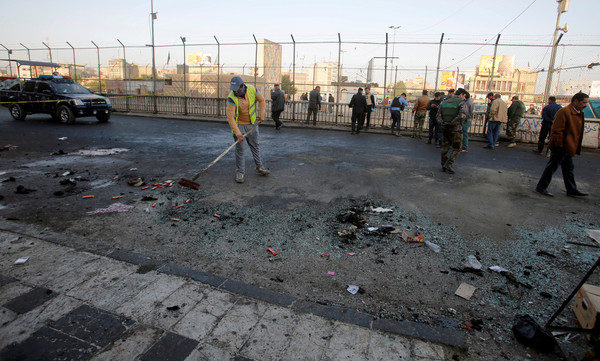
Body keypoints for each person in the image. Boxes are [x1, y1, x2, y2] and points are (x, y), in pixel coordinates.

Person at [535, 92, 589, 197]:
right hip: (561, 146)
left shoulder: (577, 112)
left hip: (568, 145)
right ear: (575, 101)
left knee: (568, 168)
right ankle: (541, 187)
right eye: (584, 102)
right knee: (552, 167)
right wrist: (559, 145)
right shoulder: (564, 112)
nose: (585, 105)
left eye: (586, 102)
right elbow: (556, 130)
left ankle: (571, 189)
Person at [226, 76, 270, 184]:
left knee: (255, 146)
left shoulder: (251, 89)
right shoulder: (231, 98)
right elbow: (230, 118)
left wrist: (262, 115)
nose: (235, 91)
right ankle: (240, 173)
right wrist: (238, 133)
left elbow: (262, 100)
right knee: (240, 150)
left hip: (252, 125)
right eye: (234, 89)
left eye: (237, 88)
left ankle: (259, 166)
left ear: (242, 86)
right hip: (239, 126)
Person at [436, 88, 468, 174]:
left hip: (445, 128)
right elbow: (462, 115)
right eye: (464, 96)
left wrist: (443, 123)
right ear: (461, 94)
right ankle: (449, 163)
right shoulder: (461, 103)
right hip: (456, 129)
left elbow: (438, 115)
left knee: (445, 146)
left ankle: (443, 163)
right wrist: (452, 123)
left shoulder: (444, 102)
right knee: (457, 147)